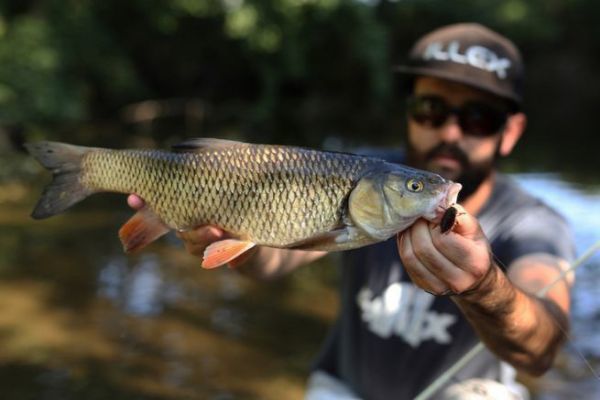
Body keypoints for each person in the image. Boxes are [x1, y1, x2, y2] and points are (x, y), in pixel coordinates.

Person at [128, 23, 575, 399]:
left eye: (477, 118)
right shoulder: (360, 176)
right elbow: (281, 256)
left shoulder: (534, 224)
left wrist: (484, 287)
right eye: (430, 108)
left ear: (510, 132)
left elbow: (540, 350)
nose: (450, 131)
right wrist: (239, 240)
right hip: (344, 387)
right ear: (409, 112)